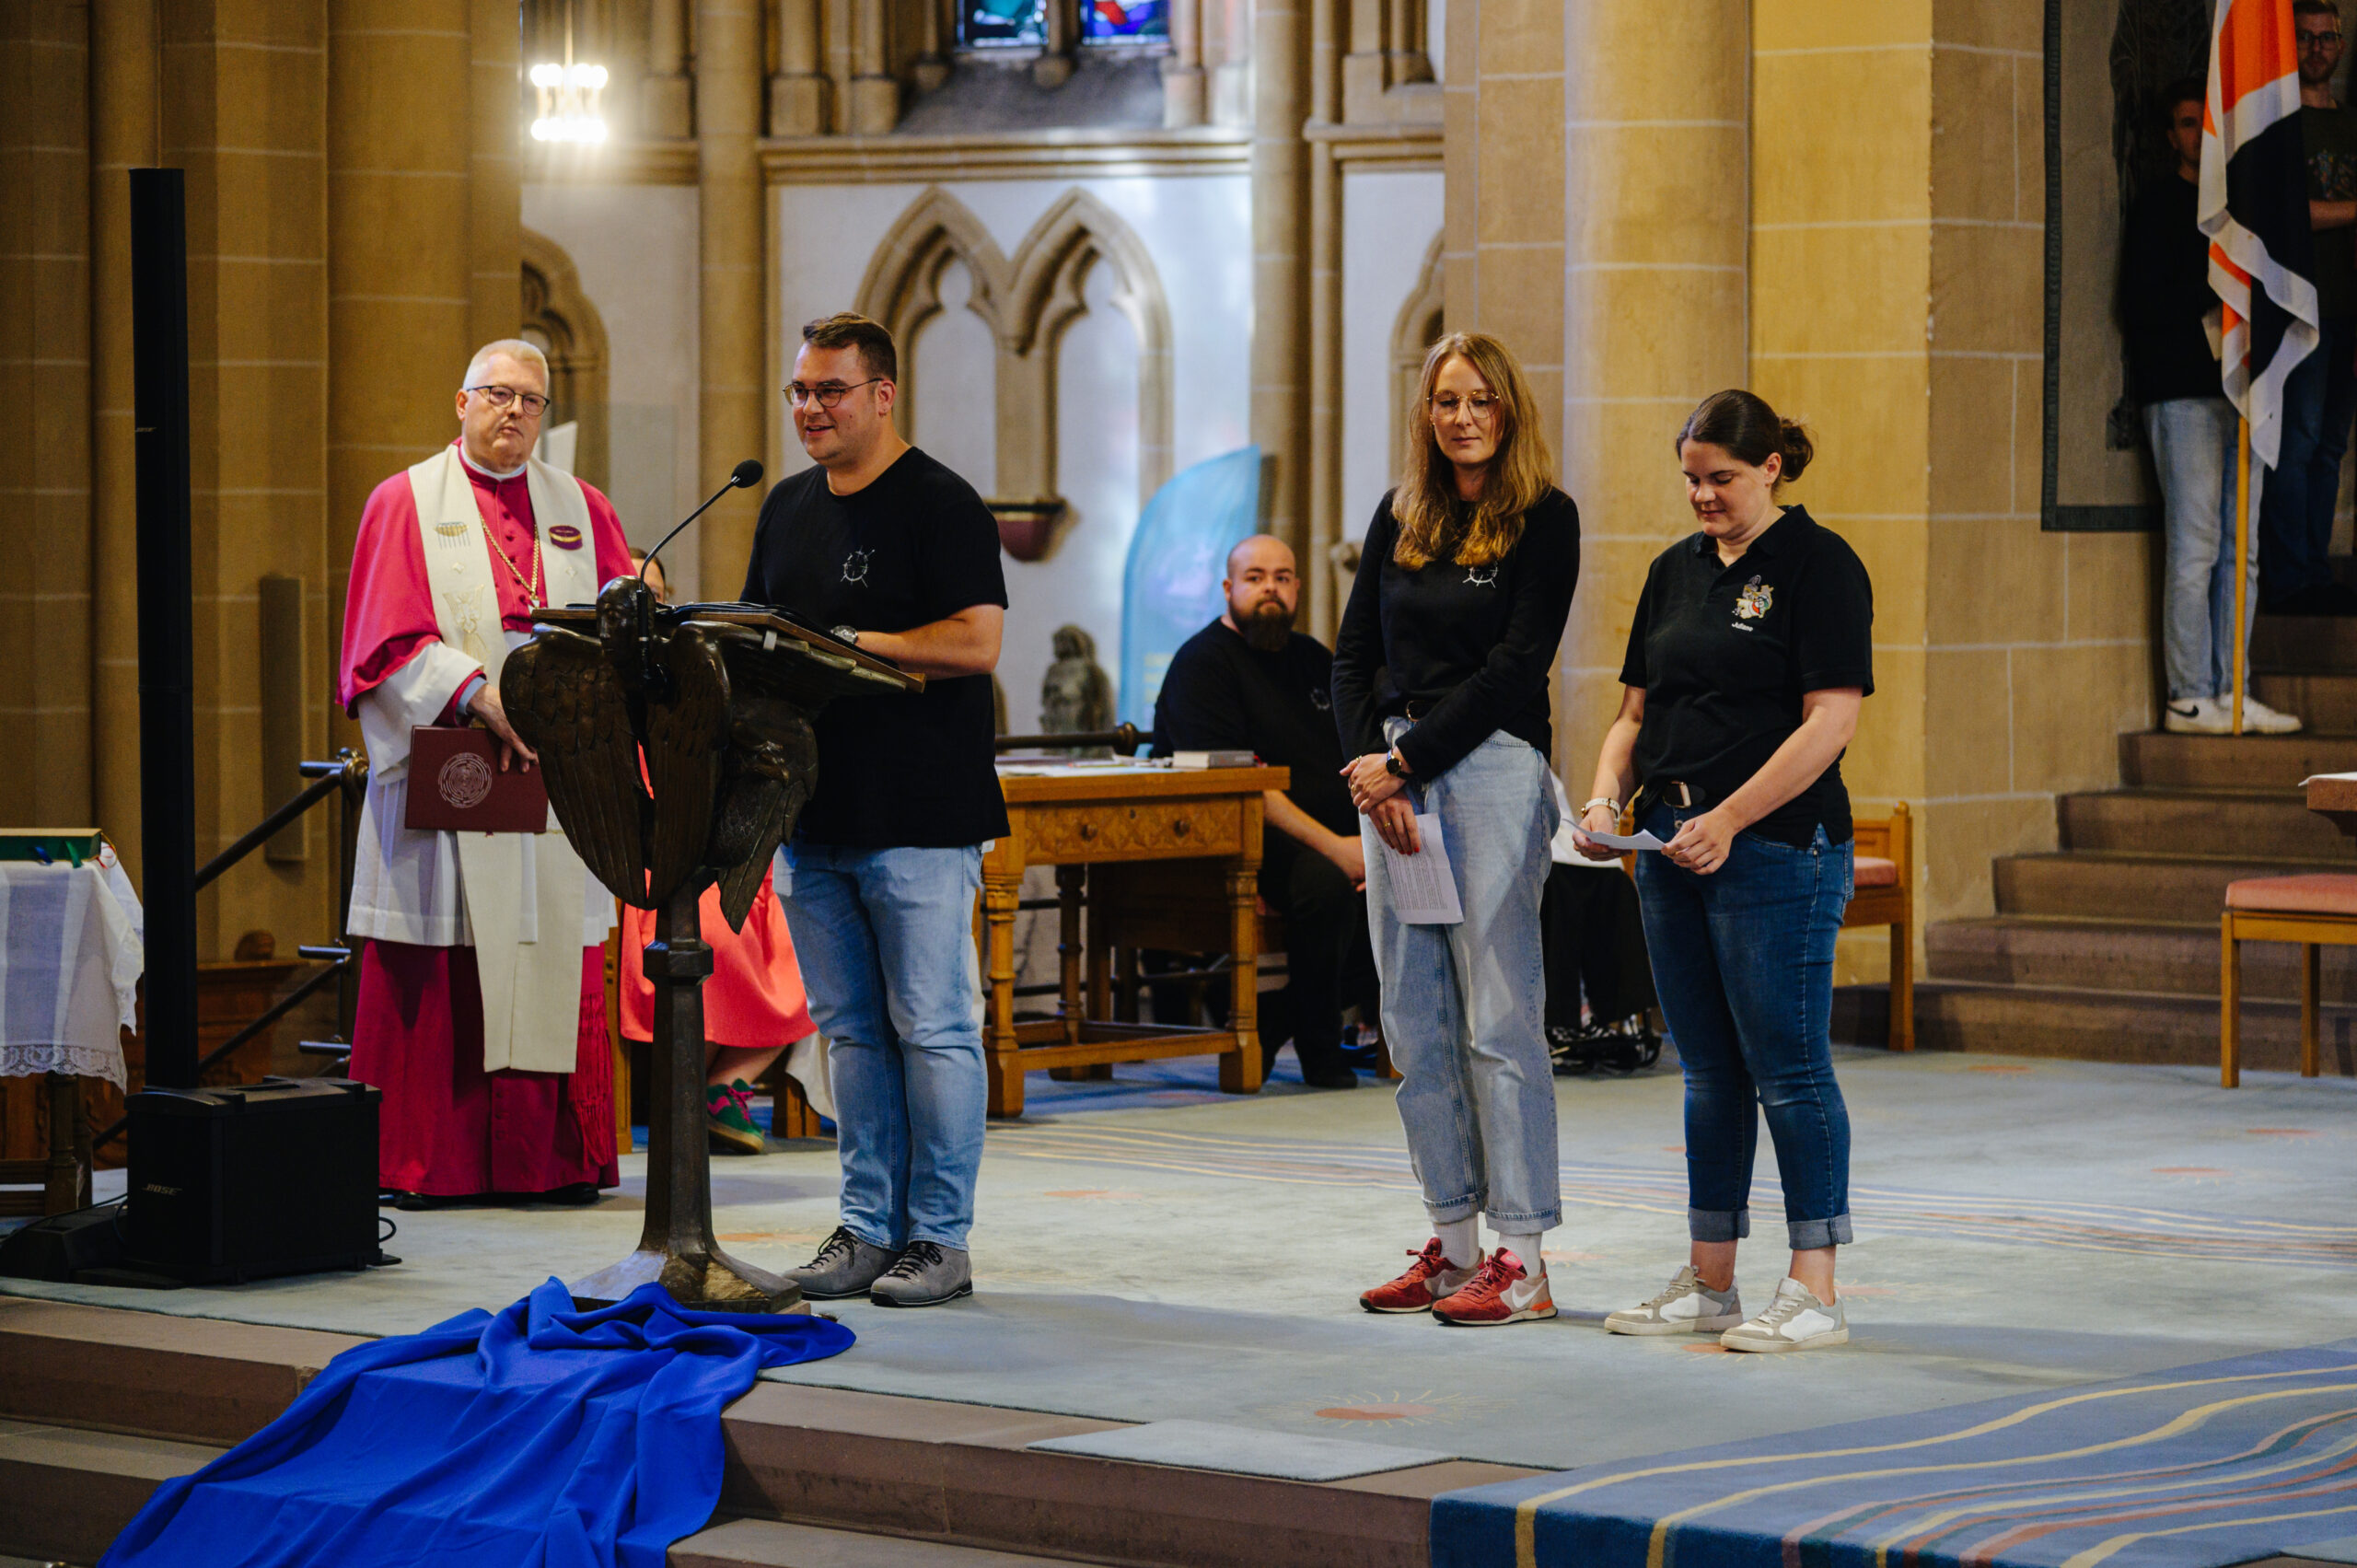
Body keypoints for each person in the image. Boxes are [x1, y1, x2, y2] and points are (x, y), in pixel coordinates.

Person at [1573, 389, 1868, 1353]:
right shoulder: (1673, 572)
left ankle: (1814, 1287)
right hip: (1667, 848)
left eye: (1722, 479)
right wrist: (1603, 798)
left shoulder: (1819, 565)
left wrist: (1732, 817)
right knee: (1705, 1071)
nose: (1703, 496)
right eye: (1692, 479)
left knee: (1788, 1069)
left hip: (1779, 847)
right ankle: (1709, 1281)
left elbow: (1829, 720)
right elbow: (1632, 716)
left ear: (1771, 466)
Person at [742, 313, 1006, 1309]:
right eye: (800, 391)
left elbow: (977, 641)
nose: (810, 408)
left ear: (883, 394)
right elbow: (760, 632)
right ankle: (866, 1227)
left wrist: (856, 639)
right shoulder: (784, 506)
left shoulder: (941, 503)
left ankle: (939, 1237)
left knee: (934, 1026)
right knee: (849, 1031)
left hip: (920, 814)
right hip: (812, 809)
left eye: (830, 391)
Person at [337, 339, 630, 1208]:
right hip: (454, 763)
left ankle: (551, 1163)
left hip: (553, 779)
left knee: (547, 951)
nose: (514, 412)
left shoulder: (581, 506)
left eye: (531, 400)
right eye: (497, 395)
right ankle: (432, 1163)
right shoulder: (405, 501)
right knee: (444, 961)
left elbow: (622, 619)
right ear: (459, 402)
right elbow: (381, 644)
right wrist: (474, 692)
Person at [1333, 331, 1581, 1327]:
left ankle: (1522, 1257)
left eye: (1480, 399)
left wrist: (1407, 760)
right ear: (1425, 413)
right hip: (1395, 778)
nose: (1462, 416)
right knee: (1415, 1017)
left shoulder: (1544, 519)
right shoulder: (1400, 515)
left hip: (1489, 772)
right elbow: (1351, 656)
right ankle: (1452, 1241)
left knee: (1498, 1015)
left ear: (1508, 409)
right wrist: (1372, 772)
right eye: (1445, 401)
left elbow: (1517, 669)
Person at [616, 551, 831, 1155]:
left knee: (809, 942)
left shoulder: (698, 673)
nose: (649, 610)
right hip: (646, 871)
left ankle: (719, 1087)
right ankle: (694, 1095)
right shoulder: (605, 680)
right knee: (711, 932)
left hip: (716, 856)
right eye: (636, 599)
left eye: (656, 598)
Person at [1151, 534, 1377, 1090]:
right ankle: (1321, 1049)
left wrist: (1369, 844)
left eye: (1281, 577)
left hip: (1334, 835)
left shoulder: (1315, 659)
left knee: (1416, 874)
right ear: (1229, 589)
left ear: (1298, 587)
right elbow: (1244, 785)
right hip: (1243, 838)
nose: (1269, 589)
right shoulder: (1202, 665)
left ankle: (1283, 1016)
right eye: (1255, 578)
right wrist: (1342, 851)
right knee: (1325, 887)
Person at [2122, 80, 2300, 733]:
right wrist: (2210, 288)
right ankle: (2190, 691)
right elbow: (2138, 305)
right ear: (2173, 135)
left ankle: (2234, 689)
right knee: (2196, 544)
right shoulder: (2158, 206)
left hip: (2240, 388)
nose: (2199, 134)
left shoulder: (2238, 211)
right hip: (2183, 394)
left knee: (2241, 550)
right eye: (2188, 124)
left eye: (2207, 123)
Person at [2260, 0, 2357, 617]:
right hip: (2300, 307)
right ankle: (2289, 574)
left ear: (2341, 46)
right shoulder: (2278, 125)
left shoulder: (2350, 125)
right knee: (2296, 440)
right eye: (2306, 37)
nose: (2317, 48)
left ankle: (2316, 569)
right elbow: (2287, 216)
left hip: (2348, 309)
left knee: (2330, 446)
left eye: (2327, 38)